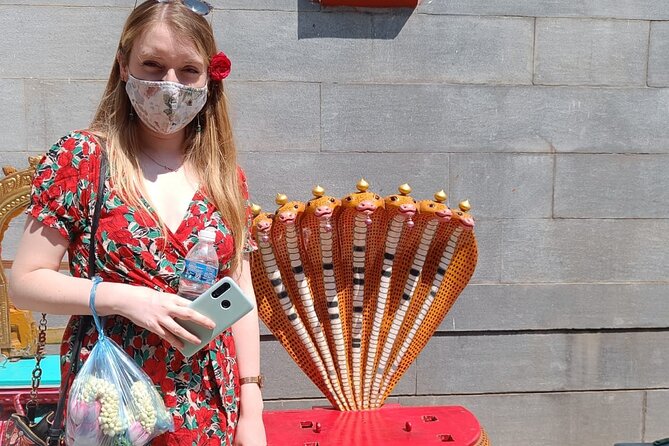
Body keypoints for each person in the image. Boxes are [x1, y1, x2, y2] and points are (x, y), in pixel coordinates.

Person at [9, 1, 267, 444]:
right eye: (153, 64)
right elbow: (25, 281)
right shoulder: (83, 159)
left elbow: (239, 292)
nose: (171, 85)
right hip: (112, 399)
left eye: (188, 70)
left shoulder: (224, 174)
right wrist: (127, 299)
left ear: (210, 76)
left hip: (208, 400)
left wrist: (253, 407)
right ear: (124, 64)